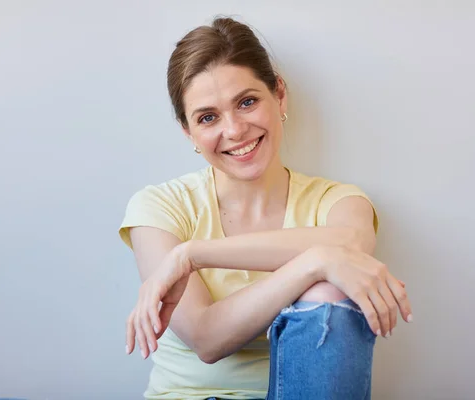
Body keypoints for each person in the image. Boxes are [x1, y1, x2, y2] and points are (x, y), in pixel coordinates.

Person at [118, 16, 412, 400]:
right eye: (208, 117)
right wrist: (314, 262)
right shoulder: (160, 206)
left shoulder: (338, 202)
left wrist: (191, 255)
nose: (235, 130)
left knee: (327, 292)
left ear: (280, 95)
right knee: (325, 276)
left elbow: (352, 243)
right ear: (188, 131)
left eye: (247, 102)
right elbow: (207, 339)